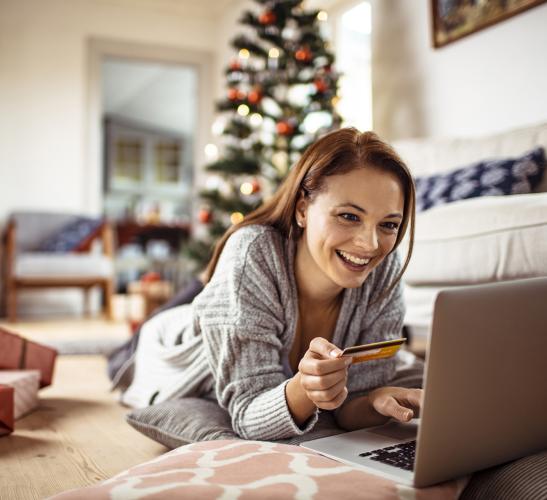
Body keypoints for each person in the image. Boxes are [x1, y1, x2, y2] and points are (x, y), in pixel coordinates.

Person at [121, 128, 423, 441]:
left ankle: (209, 287)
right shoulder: (253, 252)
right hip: (169, 349)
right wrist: (304, 389)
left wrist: (374, 402)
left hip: (239, 300)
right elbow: (248, 414)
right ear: (302, 209)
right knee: (125, 350)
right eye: (348, 216)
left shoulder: (384, 268)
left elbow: (353, 402)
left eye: (388, 224)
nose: (370, 244)